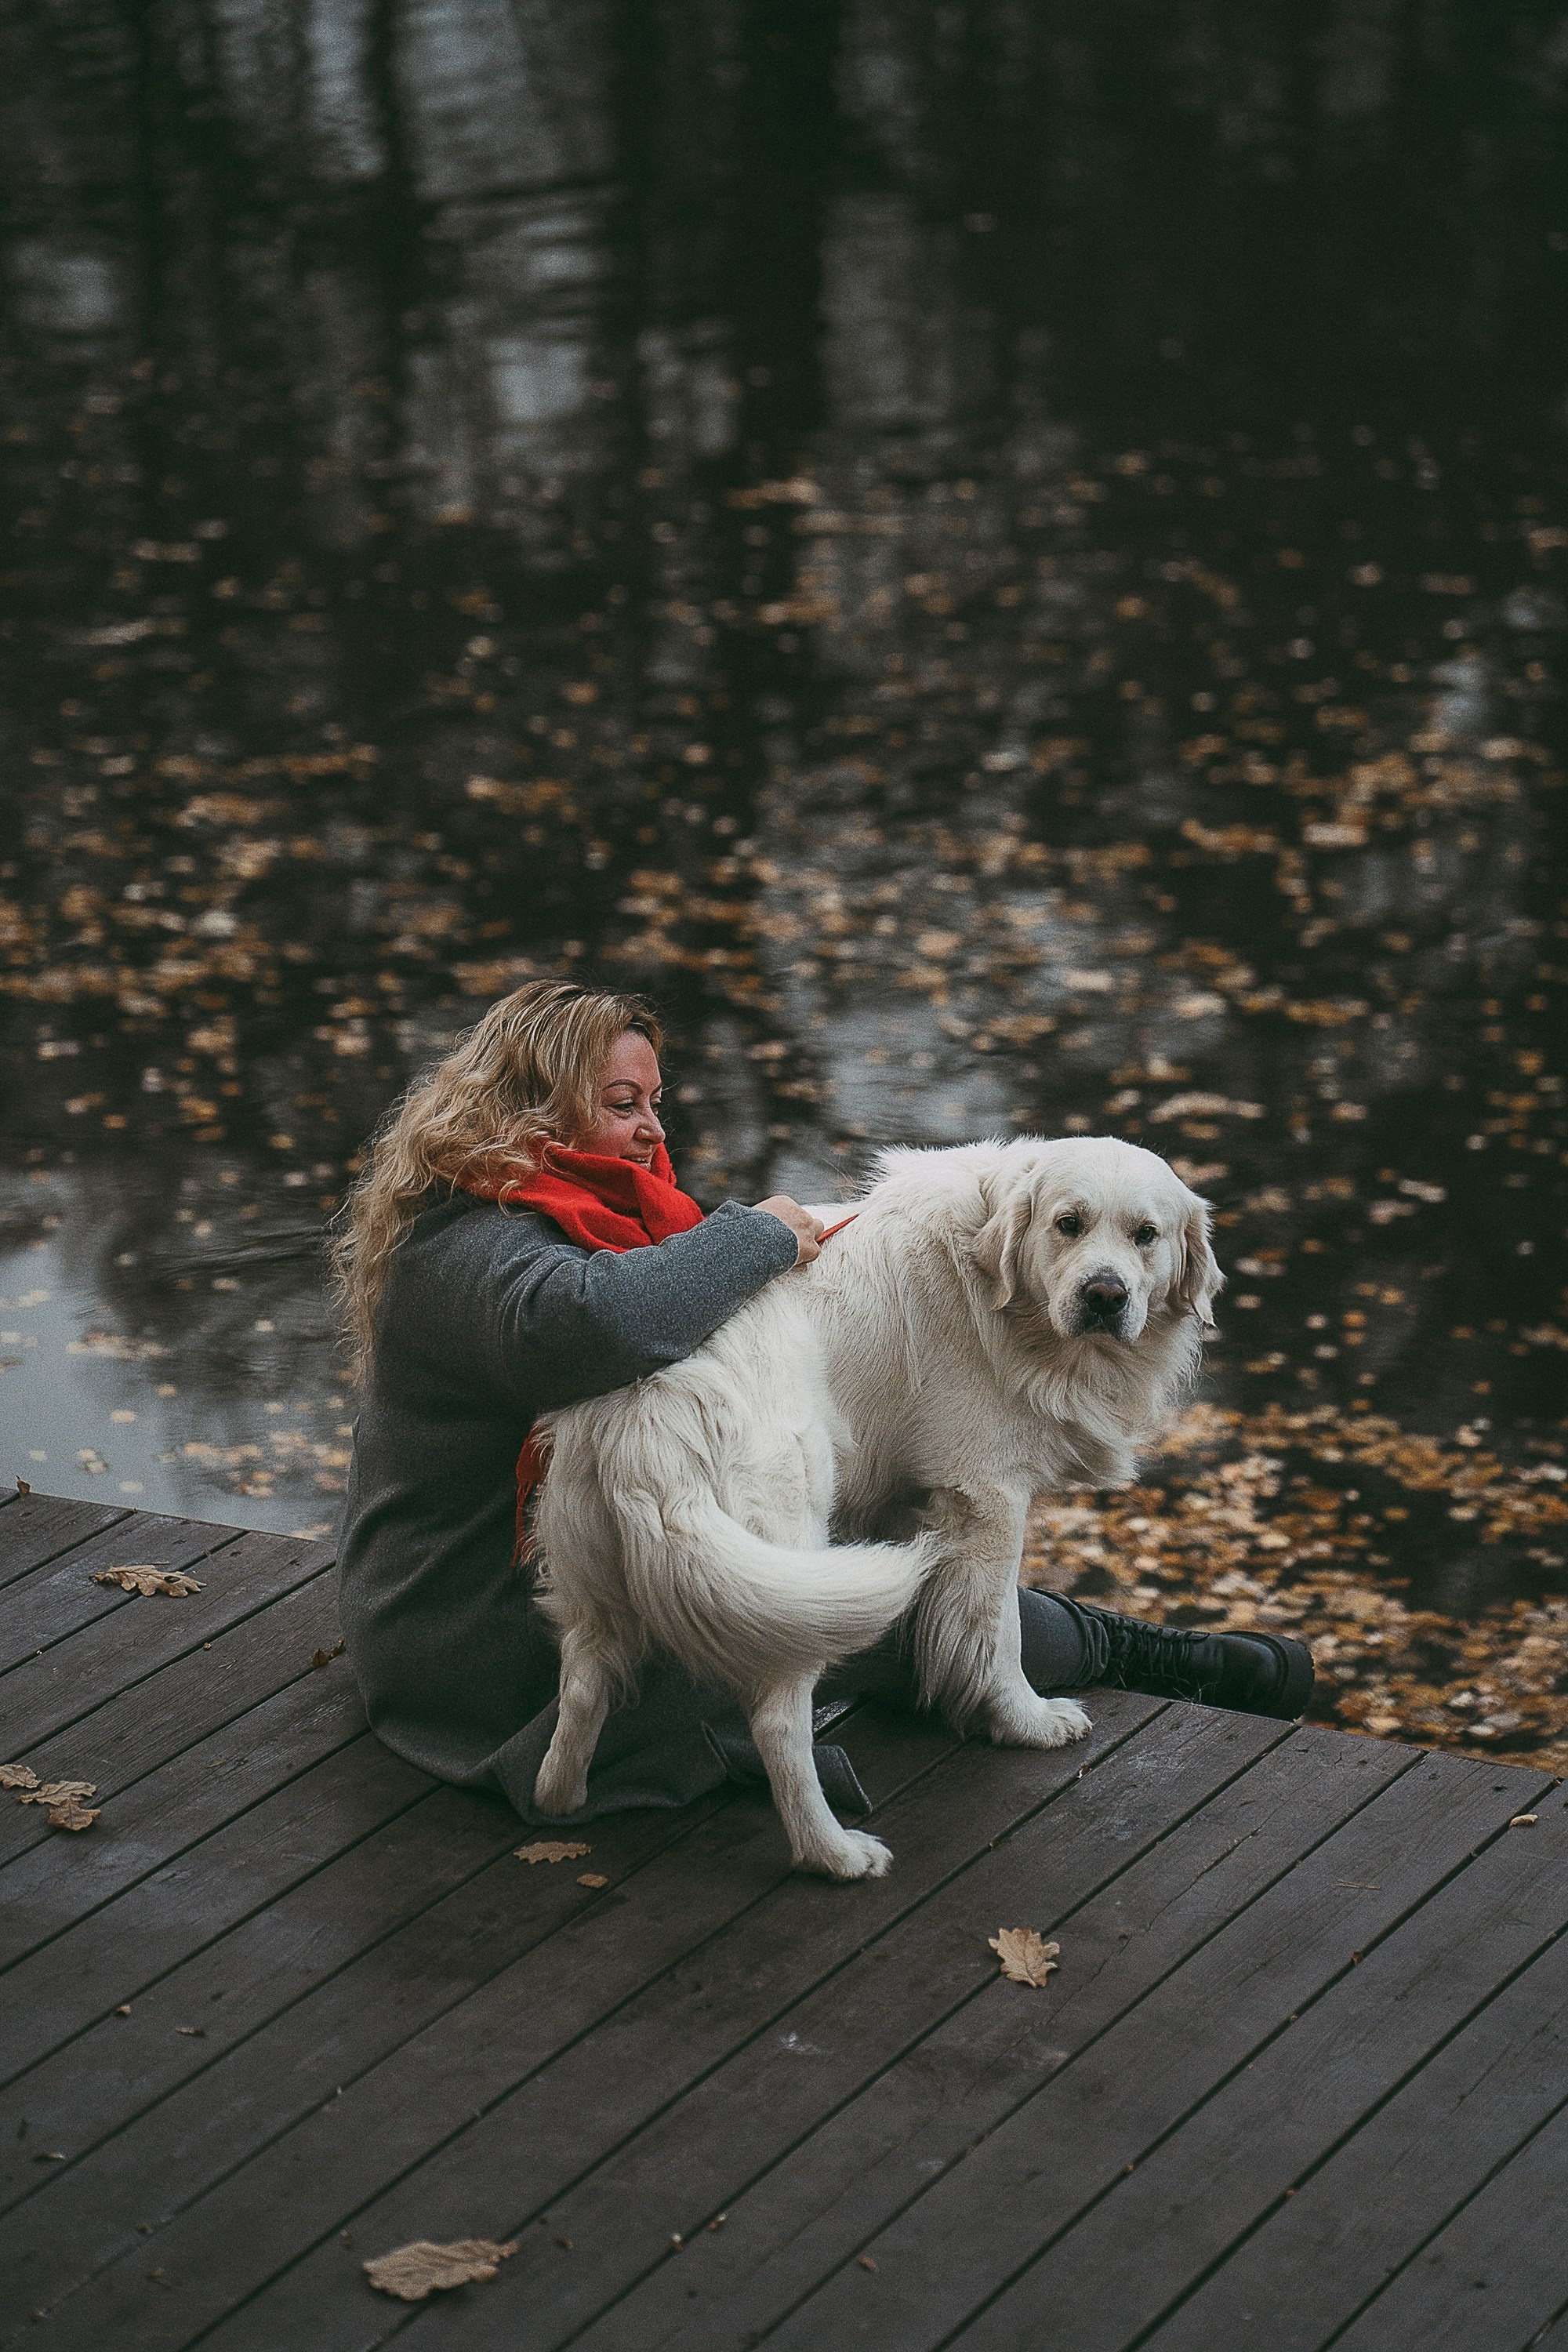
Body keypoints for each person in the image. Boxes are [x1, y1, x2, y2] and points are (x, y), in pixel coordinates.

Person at [332, 980, 1312, 1826]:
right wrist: (757, 1235)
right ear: (523, 1111)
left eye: (655, 1102)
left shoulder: (567, 1213)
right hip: (479, 1643)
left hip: (554, 1574)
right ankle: (1127, 1653)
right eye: (620, 1102)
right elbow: (597, 1326)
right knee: (850, 1600)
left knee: (850, 1585)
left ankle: (1119, 1647)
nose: (650, 1128)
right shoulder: (466, 1252)